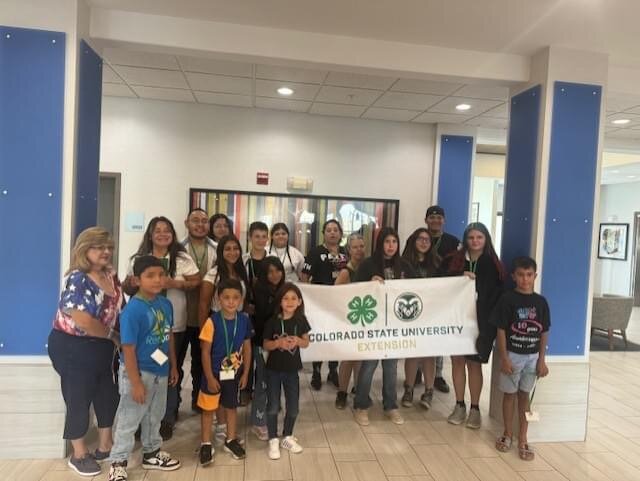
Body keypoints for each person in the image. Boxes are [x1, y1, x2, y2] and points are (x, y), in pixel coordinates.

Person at [48, 227, 124, 477]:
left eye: (109, 247)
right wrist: (113, 336)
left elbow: (116, 309)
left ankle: (105, 445)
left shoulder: (111, 275)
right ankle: (79, 454)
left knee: (107, 394)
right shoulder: (78, 278)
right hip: (73, 346)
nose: (106, 251)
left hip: (102, 346)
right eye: (98, 246)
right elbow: (81, 319)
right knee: (78, 397)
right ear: (84, 249)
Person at [122, 216, 201, 440]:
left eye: (167, 230)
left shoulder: (182, 257)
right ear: (150, 234)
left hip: (173, 324)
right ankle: (140, 417)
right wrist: (128, 284)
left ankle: (167, 416)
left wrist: (174, 283)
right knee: (144, 371)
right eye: (158, 230)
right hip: (145, 327)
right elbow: (129, 287)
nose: (163, 234)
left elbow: (196, 282)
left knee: (169, 370)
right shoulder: (138, 259)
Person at [107, 256, 180, 481]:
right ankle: (118, 462)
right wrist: (136, 382)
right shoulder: (132, 311)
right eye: (150, 275)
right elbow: (127, 349)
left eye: (161, 274)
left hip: (161, 370)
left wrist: (174, 366)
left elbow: (168, 337)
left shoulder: (165, 304)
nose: (157, 280)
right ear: (137, 280)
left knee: (154, 415)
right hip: (138, 373)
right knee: (130, 417)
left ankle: (152, 452)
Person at [444, 222, 505, 429]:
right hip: (457, 321)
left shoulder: (493, 264)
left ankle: (475, 408)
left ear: (486, 239)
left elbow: (497, 296)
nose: (475, 241)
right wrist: (458, 278)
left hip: (481, 324)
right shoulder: (455, 262)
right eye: (471, 238)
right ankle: (459, 404)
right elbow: (442, 285)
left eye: (479, 237)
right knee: (458, 362)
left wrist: (490, 327)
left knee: (474, 364)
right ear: (465, 239)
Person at [353, 227, 415, 427]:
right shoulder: (368, 264)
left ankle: (390, 406)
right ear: (381, 244)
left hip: (396, 325)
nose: (391, 246)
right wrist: (368, 283)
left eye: (394, 242)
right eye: (387, 242)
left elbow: (419, 289)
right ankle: (361, 405)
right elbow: (353, 290)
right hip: (373, 324)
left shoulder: (404, 265)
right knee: (369, 365)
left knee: (391, 366)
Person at [493, 256, 550, 461]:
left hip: (532, 358)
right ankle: (508, 433)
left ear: (535, 276)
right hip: (513, 355)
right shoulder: (507, 299)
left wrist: (541, 360)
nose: (525, 279)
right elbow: (501, 330)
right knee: (509, 395)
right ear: (513, 276)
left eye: (529, 275)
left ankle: (523, 437)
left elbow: (544, 332)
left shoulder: (541, 302)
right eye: (520, 275)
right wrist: (504, 358)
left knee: (525, 397)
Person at [198, 235, 249, 444]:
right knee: (214, 385)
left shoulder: (241, 271)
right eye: (227, 248)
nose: (232, 252)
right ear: (221, 251)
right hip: (218, 329)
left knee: (229, 391)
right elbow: (203, 303)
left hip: (237, 327)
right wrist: (204, 332)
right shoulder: (213, 273)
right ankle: (213, 433)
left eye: (235, 248)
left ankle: (227, 432)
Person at [198, 279, 252, 465]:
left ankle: (230, 439)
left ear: (241, 299)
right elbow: (204, 351)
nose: (231, 301)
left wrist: (245, 373)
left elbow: (247, 347)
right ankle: (205, 443)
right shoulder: (211, 322)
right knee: (208, 409)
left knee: (231, 407)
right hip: (213, 374)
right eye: (226, 297)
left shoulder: (244, 320)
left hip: (234, 374)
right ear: (218, 299)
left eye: (235, 298)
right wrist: (209, 377)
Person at [263, 283, 311, 460]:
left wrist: (298, 340)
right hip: (273, 370)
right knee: (273, 406)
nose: (290, 301)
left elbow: (307, 342)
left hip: (292, 371)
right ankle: (273, 438)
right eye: (285, 298)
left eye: (293, 298)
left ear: (299, 301)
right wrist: (278, 344)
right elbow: (266, 344)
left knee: (293, 407)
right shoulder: (273, 321)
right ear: (280, 301)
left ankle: (287, 435)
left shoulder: (301, 320)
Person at [300, 219, 348, 390]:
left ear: (341, 233)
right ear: (324, 234)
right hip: (320, 303)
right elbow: (305, 275)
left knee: (335, 337)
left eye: (336, 230)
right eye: (329, 230)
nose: (333, 233)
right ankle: (316, 372)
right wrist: (307, 296)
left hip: (340, 304)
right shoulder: (315, 252)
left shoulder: (346, 252)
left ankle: (333, 371)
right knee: (320, 338)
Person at [181, 208, 217, 412]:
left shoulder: (217, 248)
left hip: (206, 317)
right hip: (180, 316)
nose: (200, 224)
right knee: (174, 364)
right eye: (195, 220)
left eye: (204, 221)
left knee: (201, 362)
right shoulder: (177, 249)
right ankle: (171, 411)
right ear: (187, 223)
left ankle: (198, 401)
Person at [400, 228, 440, 410]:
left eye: (427, 240)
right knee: (413, 352)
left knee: (429, 353)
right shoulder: (403, 263)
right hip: (410, 313)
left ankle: (429, 391)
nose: (424, 242)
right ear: (413, 241)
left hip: (431, 314)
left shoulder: (437, 263)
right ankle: (408, 389)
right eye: (420, 239)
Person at [424, 205, 460, 394]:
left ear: (444, 220)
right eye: (432, 217)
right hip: (422, 294)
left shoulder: (453, 242)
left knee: (437, 334)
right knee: (420, 333)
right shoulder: (419, 237)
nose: (435, 221)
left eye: (439, 218)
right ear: (426, 220)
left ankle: (437, 374)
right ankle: (417, 373)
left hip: (444, 295)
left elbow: (461, 265)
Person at [250, 257, 286, 441]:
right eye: (270, 271)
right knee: (262, 381)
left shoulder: (283, 288)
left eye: (278, 270)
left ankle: (269, 412)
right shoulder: (259, 290)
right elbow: (264, 315)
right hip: (262, 343)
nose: (275, 275)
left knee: (274, 379)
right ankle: (258, 421)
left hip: (280, 344)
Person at [334, 233, 366, 409]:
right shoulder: (346, 272)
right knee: (348, 358)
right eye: (355, 247)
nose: (359, 250)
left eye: (361, 246)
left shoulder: (368, 266)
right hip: (349, 319)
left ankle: (358, 389)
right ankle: (342, 392)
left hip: (365, 319)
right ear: (349, 249)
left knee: (360, 357)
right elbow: (335, 294)